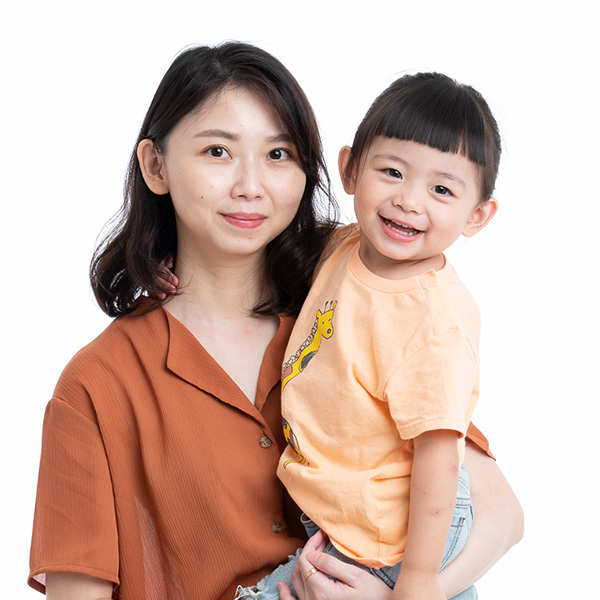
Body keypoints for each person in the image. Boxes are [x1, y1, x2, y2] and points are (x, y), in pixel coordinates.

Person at [28, 43, 522, 600]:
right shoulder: (98, 383)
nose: (250, 185)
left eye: (279, 154)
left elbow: (500, 513)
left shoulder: (356, 304)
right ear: (156, 166)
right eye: (218, 151)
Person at [235, 73, 508, 600]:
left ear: (477, 215)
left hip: (398, 532)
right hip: (355, 514)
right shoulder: (344, 247)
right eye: (392, 172)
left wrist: (419, 581)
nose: (408, 200)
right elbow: (266, 252)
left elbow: (439, 456)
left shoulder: (432, 320)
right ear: (351, 169)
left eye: (441, 190)